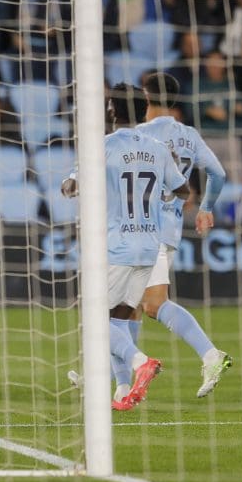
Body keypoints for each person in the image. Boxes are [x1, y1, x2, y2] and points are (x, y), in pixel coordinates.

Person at [62, 82, 190, 411]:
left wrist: (71, 184)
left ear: (110, 111)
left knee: (94, 319)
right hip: (149, 246)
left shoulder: (101, 146)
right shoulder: (158, 148)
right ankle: (121, 389)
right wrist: (161, 197)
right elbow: (184, 190)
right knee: (117, 320)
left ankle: (140, 362)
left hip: (116, 245)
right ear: (143, 112)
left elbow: (71, 187)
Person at [128, 73, 232, 400]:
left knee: (152, 304)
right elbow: (219, 173)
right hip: (170, 229)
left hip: (143, 228)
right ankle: (126, 379)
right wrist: (205, 207)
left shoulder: (138, 135)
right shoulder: (189, 135)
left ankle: (210, 354)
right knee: (127, 305)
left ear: (146, 98)